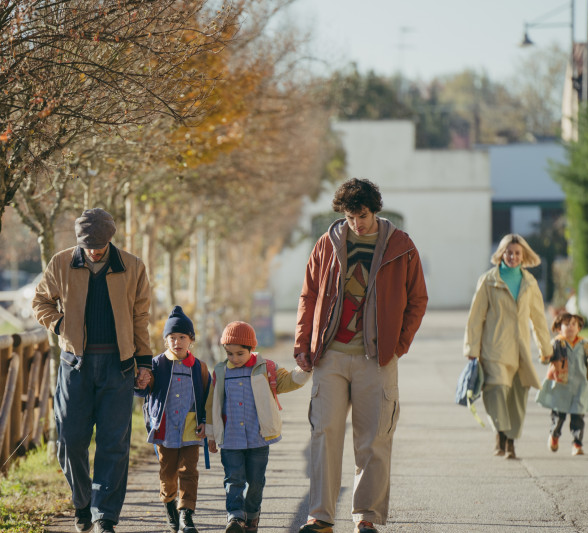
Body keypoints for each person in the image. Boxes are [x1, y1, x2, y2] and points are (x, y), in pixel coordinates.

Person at [294, 178, 428, 533]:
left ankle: (366, 516)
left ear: (375, 209)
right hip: (331, 357)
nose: (357, 224)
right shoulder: (328, 243)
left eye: (363, 215)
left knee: (374, 439)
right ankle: (320, 516)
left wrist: (398, 344)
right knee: (324, 434)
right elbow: (308, 294)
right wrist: (303, 342)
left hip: (376, 360)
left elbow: (418, 299)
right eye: (351, 217)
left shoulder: (401, 246)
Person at [32, 208, 153, 533]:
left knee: (114, 443)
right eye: (88, 244)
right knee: (70, 441)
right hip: (75, 366)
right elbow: (40, 302)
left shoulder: (132, 266)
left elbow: (141, 317)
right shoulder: (61, 263)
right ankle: (83, 502)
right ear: (79, 240)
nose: (95, 250)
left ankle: (104, 516)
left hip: (120, 366)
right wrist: (60, 324)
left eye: (100, 245)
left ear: (110, 238)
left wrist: (144, 363)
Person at [205, 321, 311, 533]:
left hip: (258, 438)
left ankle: (252, 516)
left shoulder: (265, 368)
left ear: (251, 349)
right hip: (231, 439)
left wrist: (305, 370)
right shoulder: (221, 371)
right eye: (229, 353)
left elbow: (289, 381)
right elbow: (211, 405)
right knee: (233, 479)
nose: (234, 359)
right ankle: (235, 517)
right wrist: (210, 434)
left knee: (255, 482)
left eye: (239, 354)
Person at [464, 233, 551, 460]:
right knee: (496, 392)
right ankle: (500, 434)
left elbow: (539, 319)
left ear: (523, 256)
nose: (512, 256)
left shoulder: (530, 283)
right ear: (501, 254)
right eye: (508, 252)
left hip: (520, 350)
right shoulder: (488, 281)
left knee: (517, 398)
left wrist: (545, 349)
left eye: (517, 253)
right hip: (494, 349)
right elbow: (475, 318)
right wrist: (471, 349)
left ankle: (510, 442)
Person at [135, 306, 210, 533]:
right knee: (168, 474)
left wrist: (205, 420)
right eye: (172, 337)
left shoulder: (199, 367)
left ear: (191, 340)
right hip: (165, 427)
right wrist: (141, 382)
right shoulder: (157, 364)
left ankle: (186, 515)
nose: (177, 342)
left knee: (189, 471)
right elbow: (143, 389)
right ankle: (170, 509)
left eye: (182, 337)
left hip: (190, 427)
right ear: (165, 340)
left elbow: (206, 396)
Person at [536, 313, 588, 455]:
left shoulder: (584, 345)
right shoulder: (556, 344)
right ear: (559, 328)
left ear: (579, 328)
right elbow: (545, 359)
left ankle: (577, 444)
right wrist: (544, 356)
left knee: (578, 418)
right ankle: (554, 435)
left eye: (574, 324)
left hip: (579, 387)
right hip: (561, 387)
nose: (570, 327)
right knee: (559, 417)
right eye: (566, 324)